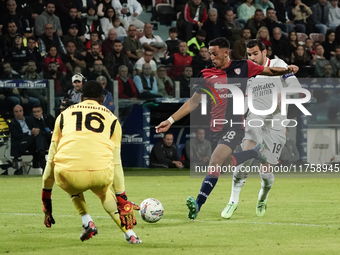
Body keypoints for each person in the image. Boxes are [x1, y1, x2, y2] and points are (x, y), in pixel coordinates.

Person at [155, 37, 299, 220]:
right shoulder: (206, 74)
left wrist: (288, 70)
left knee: (218, 162)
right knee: (221, 164)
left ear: (225, 53)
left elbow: (270, 70)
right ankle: (254, 153)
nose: (211, 57)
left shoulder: (243, 67)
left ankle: (198, 205)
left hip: (236, 126)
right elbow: (194, 102)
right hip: (217, 128)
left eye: (215, 54)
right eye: (210, 54)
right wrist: (170, 119)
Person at [41, 80, 142, 244]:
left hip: (69, 174)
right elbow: (117, 162)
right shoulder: (113, 119)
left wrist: (46, 197)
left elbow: (51, 158)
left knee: (70, 179)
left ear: (81, 97)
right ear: (102, 99)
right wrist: (121, 197)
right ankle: (130, 234)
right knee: (104, 192)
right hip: (100, 173)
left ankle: (87, 220)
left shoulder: (64, 115)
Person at [222, 39, 302, 219]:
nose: (252, 57)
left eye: (255, 53)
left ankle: (262, 198)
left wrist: (284, 94)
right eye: (249, 54)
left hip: (276, 125)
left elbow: (296, 86)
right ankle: (233, 201)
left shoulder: (278, 65)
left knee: (266, 172)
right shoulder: (247, 73)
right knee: (245, 158)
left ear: (265, 52)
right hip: (255, 121)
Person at [9, 105, 47, 174]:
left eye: (20, 111)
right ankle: (42, 155)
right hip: (22, 143)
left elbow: (36, 127)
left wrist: (36, 130)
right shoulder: (12, 123)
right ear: (14, 113)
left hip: (31, 142)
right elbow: (17, 136)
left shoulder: (29, 119)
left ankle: (41, 152)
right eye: (16, 112)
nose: (19, 113)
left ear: (23, 111)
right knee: (37, 137)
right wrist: (30, 132)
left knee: (38, 135)